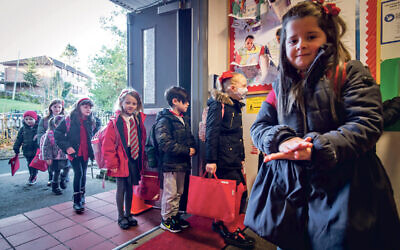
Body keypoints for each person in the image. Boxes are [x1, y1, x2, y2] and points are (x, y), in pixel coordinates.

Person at [247, 1, 400, 250]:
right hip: (294, 190)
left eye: (310, 36)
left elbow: (367, 122)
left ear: (327, 37)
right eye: (293, 40)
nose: (301, 45)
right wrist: (283, 139)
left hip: (346, 190)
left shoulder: (349, 72)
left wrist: (317, 147)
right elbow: (260, 126)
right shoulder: (280, 87)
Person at [205, 71, 254, 249]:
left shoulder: (235, 106)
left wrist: (241, 158)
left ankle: (221, 223)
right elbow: (212, 133)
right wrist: (210, 160)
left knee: (238, 191)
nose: (246, 89)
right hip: (223, 159)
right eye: (243, 85)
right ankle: (229, 228)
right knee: (228, 196)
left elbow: (237, 136)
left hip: (233, 158)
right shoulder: (219, 106)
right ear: (232, 88)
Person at [102, 89, 147, 230]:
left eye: (134, 103)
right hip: (120, 158)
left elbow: (141, 139)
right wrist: (112, 164)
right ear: (121, 103)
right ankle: (121, 216)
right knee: (121, 188)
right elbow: (107, 146)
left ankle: (128, 214)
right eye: (127, 102)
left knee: (130, 188)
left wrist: (142, 158)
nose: (130, 106)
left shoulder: (137, 119)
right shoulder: (115, 122)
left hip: (133, 158)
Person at [155, 86, 196, 233]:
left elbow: (189, 137)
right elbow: (164, 143)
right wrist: (187, 150)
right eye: (185, 102)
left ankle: (174, 216)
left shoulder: (183, 119)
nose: (188, 104)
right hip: (170, 164)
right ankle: (166, 220)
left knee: (179, 192)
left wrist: (193, 147)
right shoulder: (165, 120)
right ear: (175, 101)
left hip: (182, 163)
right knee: (170, 193)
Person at [55, 98, 100, 213]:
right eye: (85, 107)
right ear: (79, 107)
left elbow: (96, 135)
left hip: (86, 152)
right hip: (74, 152)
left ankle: (82, 195)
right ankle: (76, 200)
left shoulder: (92, 120)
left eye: (90, 107)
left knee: (83, 173)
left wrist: (94, 151)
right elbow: (58, 134)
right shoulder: (69, 119)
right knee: (78, 173)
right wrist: (67, 147)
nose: (88, 109)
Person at [37, 99, 67, 187]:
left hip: (62, 146)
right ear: (50, 107)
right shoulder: (45, 120)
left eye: (59, 107)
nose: (57, 109)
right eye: (55, 107)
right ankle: (51, 178)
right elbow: (40, 132)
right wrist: (41, 143)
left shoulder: (65, 118)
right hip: (50, 145)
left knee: (65, 164)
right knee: (52, 165)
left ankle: (63, 178)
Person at [40, 115, 68, 195]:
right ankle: (55, 186)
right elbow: (46, 147)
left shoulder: (67, 132)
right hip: (56, 157)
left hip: (66, 155)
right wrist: (47, 157)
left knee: (67, 168)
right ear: (55, 124)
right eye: (59, 123)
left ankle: (62, 179)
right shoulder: (50, 134)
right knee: (57, 171)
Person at [13, 111, 40, 185]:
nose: (28, 121)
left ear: (35, 119)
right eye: (26, 119)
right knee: (30, 164)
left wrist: (38, 136)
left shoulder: (39, 128)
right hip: (27, 149)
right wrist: (16, 147)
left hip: (36, 149)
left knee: (35, 163)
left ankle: (34, 175)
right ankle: (32, 175)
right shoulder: (23, 129)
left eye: (31, 119)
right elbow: (19, 139)